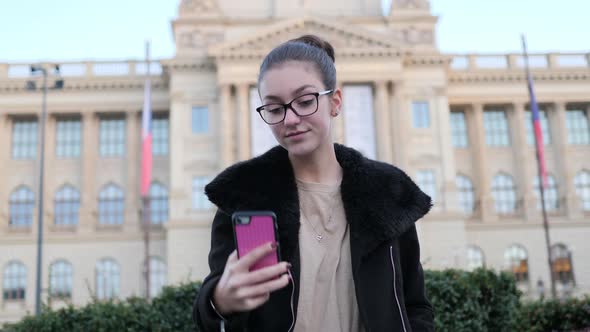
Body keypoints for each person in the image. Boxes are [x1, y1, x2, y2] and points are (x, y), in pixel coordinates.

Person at [193, 34, 434, 332]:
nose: (290, 119)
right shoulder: (244, 197)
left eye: (305, 101)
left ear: (335, 102)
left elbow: (415, 305)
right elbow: (211, 309)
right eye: (275, 108)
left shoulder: (388, 195)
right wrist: (220, 301)